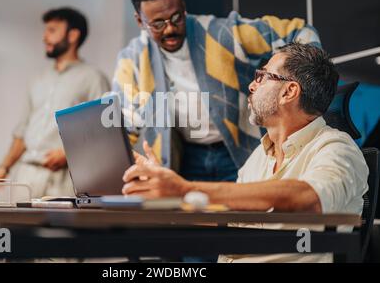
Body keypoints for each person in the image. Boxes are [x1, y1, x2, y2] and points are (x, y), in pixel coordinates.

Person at [122, 43, 369, 263]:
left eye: (262, 76)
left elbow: (309, 197)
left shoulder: (337, 148)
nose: (252, 85)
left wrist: (184, 188)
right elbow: (227, 222)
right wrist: (168, 203)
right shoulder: (260, 156)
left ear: (289, 92)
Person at [113, 0, 321, 184]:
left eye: (176, 17)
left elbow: (300, 30)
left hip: (240, 152)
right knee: (190, 216)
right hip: (186, 157)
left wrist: (303, 84)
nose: (169, 29)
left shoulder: (223, 32)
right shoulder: (133, 59)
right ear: (140, 21)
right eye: (157, 24)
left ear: (183, 7)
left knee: (246, 214)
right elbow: (123, 124)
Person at [0, 7, 110, 198]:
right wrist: (3, 167)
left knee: (58, 229)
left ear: (73, 35)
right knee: (15, 227)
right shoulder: (38, 79)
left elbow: (105, 131)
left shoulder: (93, 78)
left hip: (63, 178)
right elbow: (23, 131)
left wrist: (68, 153)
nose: (44, 37)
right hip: (26, 176)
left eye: (52, 30)